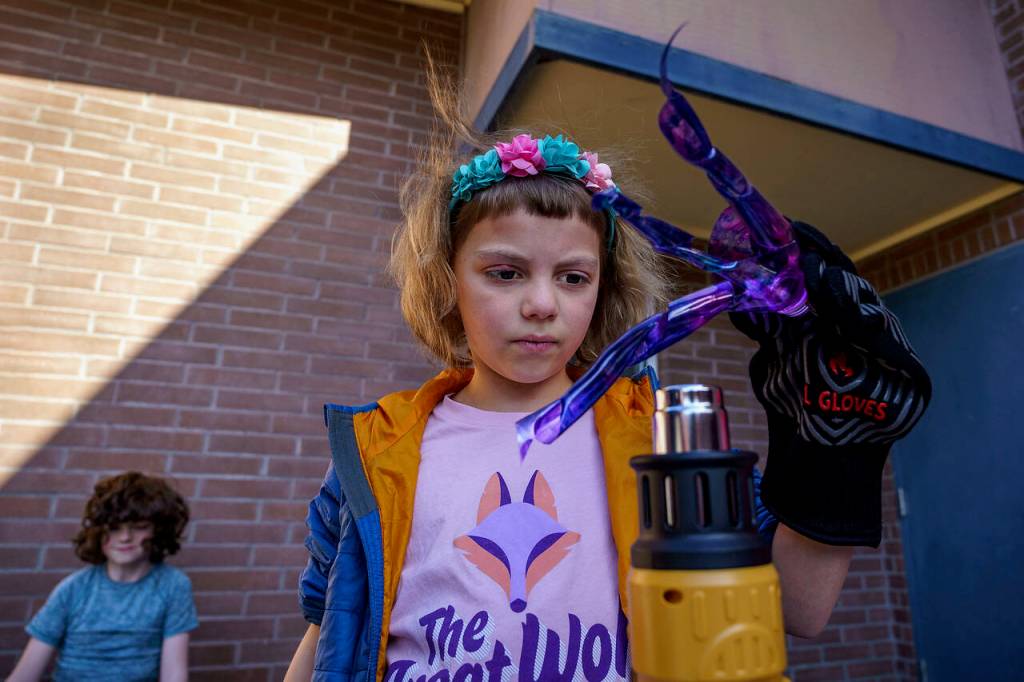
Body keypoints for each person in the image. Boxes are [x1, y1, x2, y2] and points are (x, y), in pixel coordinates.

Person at [284, 63, 930, 682]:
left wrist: (835, 455)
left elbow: (798, 609)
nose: (541, 303)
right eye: (505, 272)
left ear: (602, 289)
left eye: (572, 277)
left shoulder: (664, 438)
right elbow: (327, 637)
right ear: (448, 281)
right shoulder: (375, 451)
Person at [7, 471, 197, 682]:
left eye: (140, 527)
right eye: (114, 528)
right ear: (98, 531)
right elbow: (24, 675)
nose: (125, 537)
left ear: (159, 530)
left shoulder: (173, 586)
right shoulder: (72, 589)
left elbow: (174, 675)